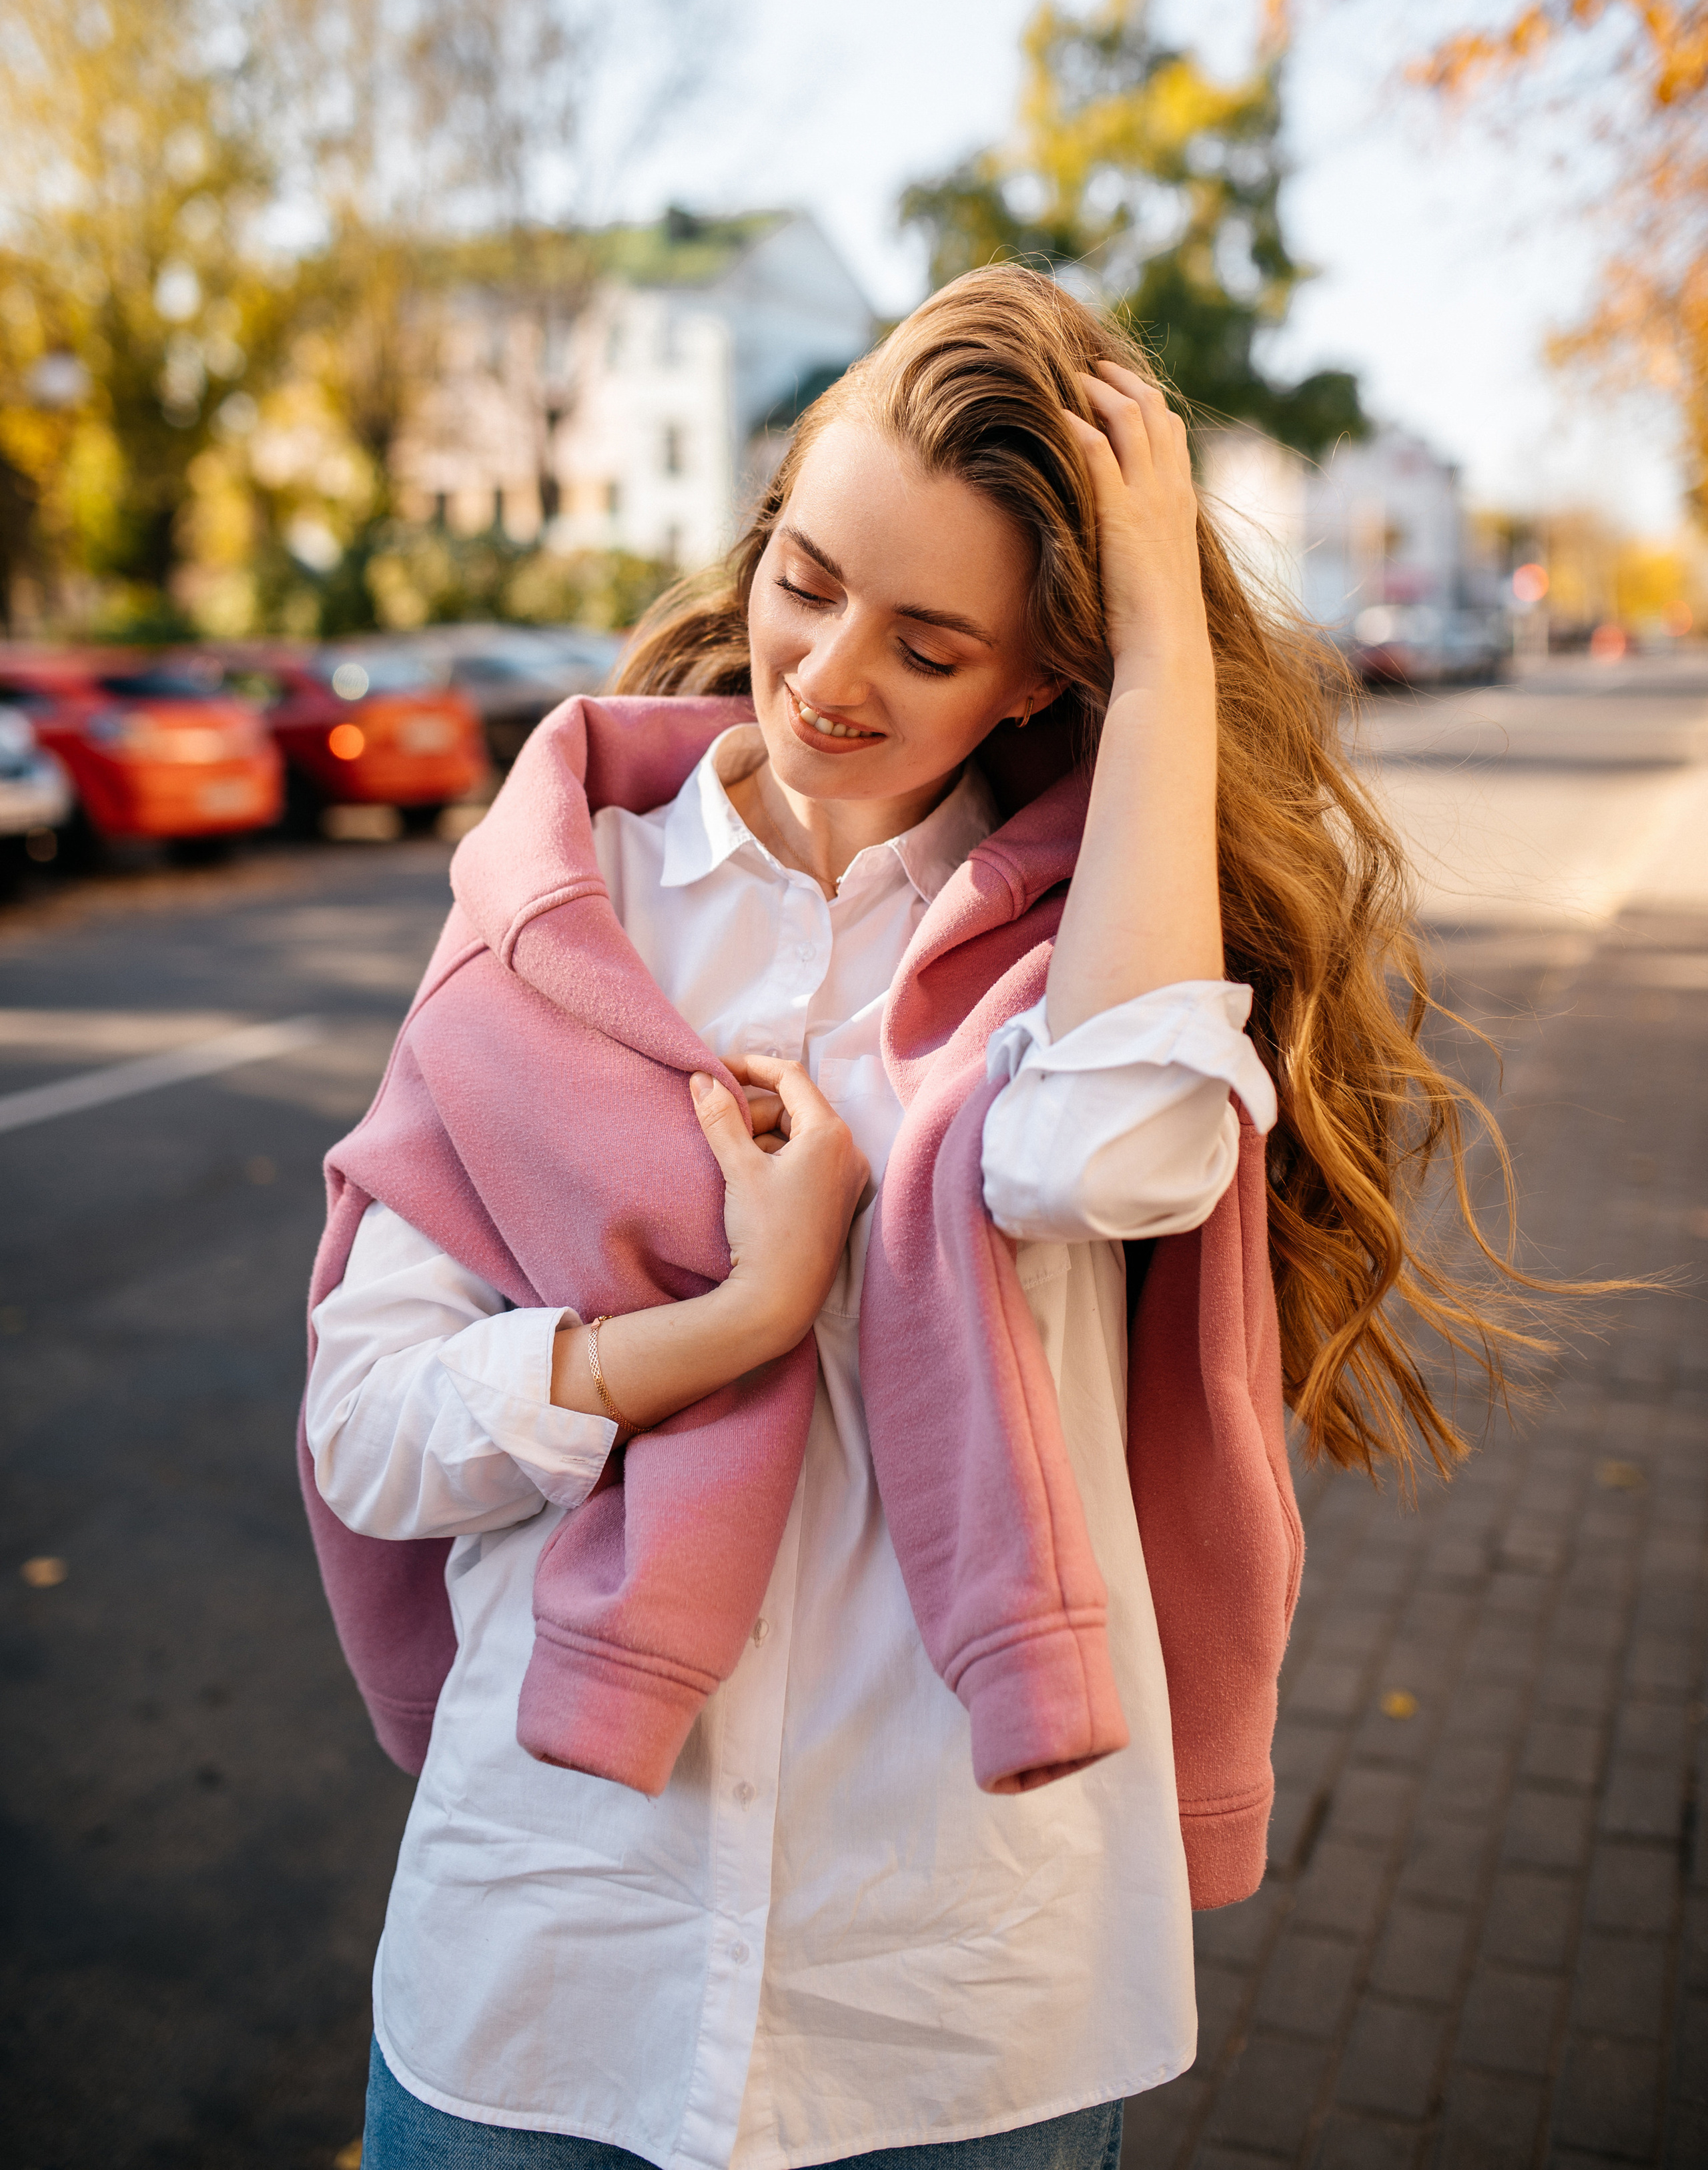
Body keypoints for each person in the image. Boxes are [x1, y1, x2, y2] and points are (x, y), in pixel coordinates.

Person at [300, 267, 1529, 2170]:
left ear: (1046, 672)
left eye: (932, 644)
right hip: (552, 1957)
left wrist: (1168, 643)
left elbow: (1120, 1153)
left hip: (958, 1996)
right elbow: (372, 1431)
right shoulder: (555, 913)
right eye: (807, 577)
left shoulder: (1087, 955)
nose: (827, 672)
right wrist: (727, 1323)